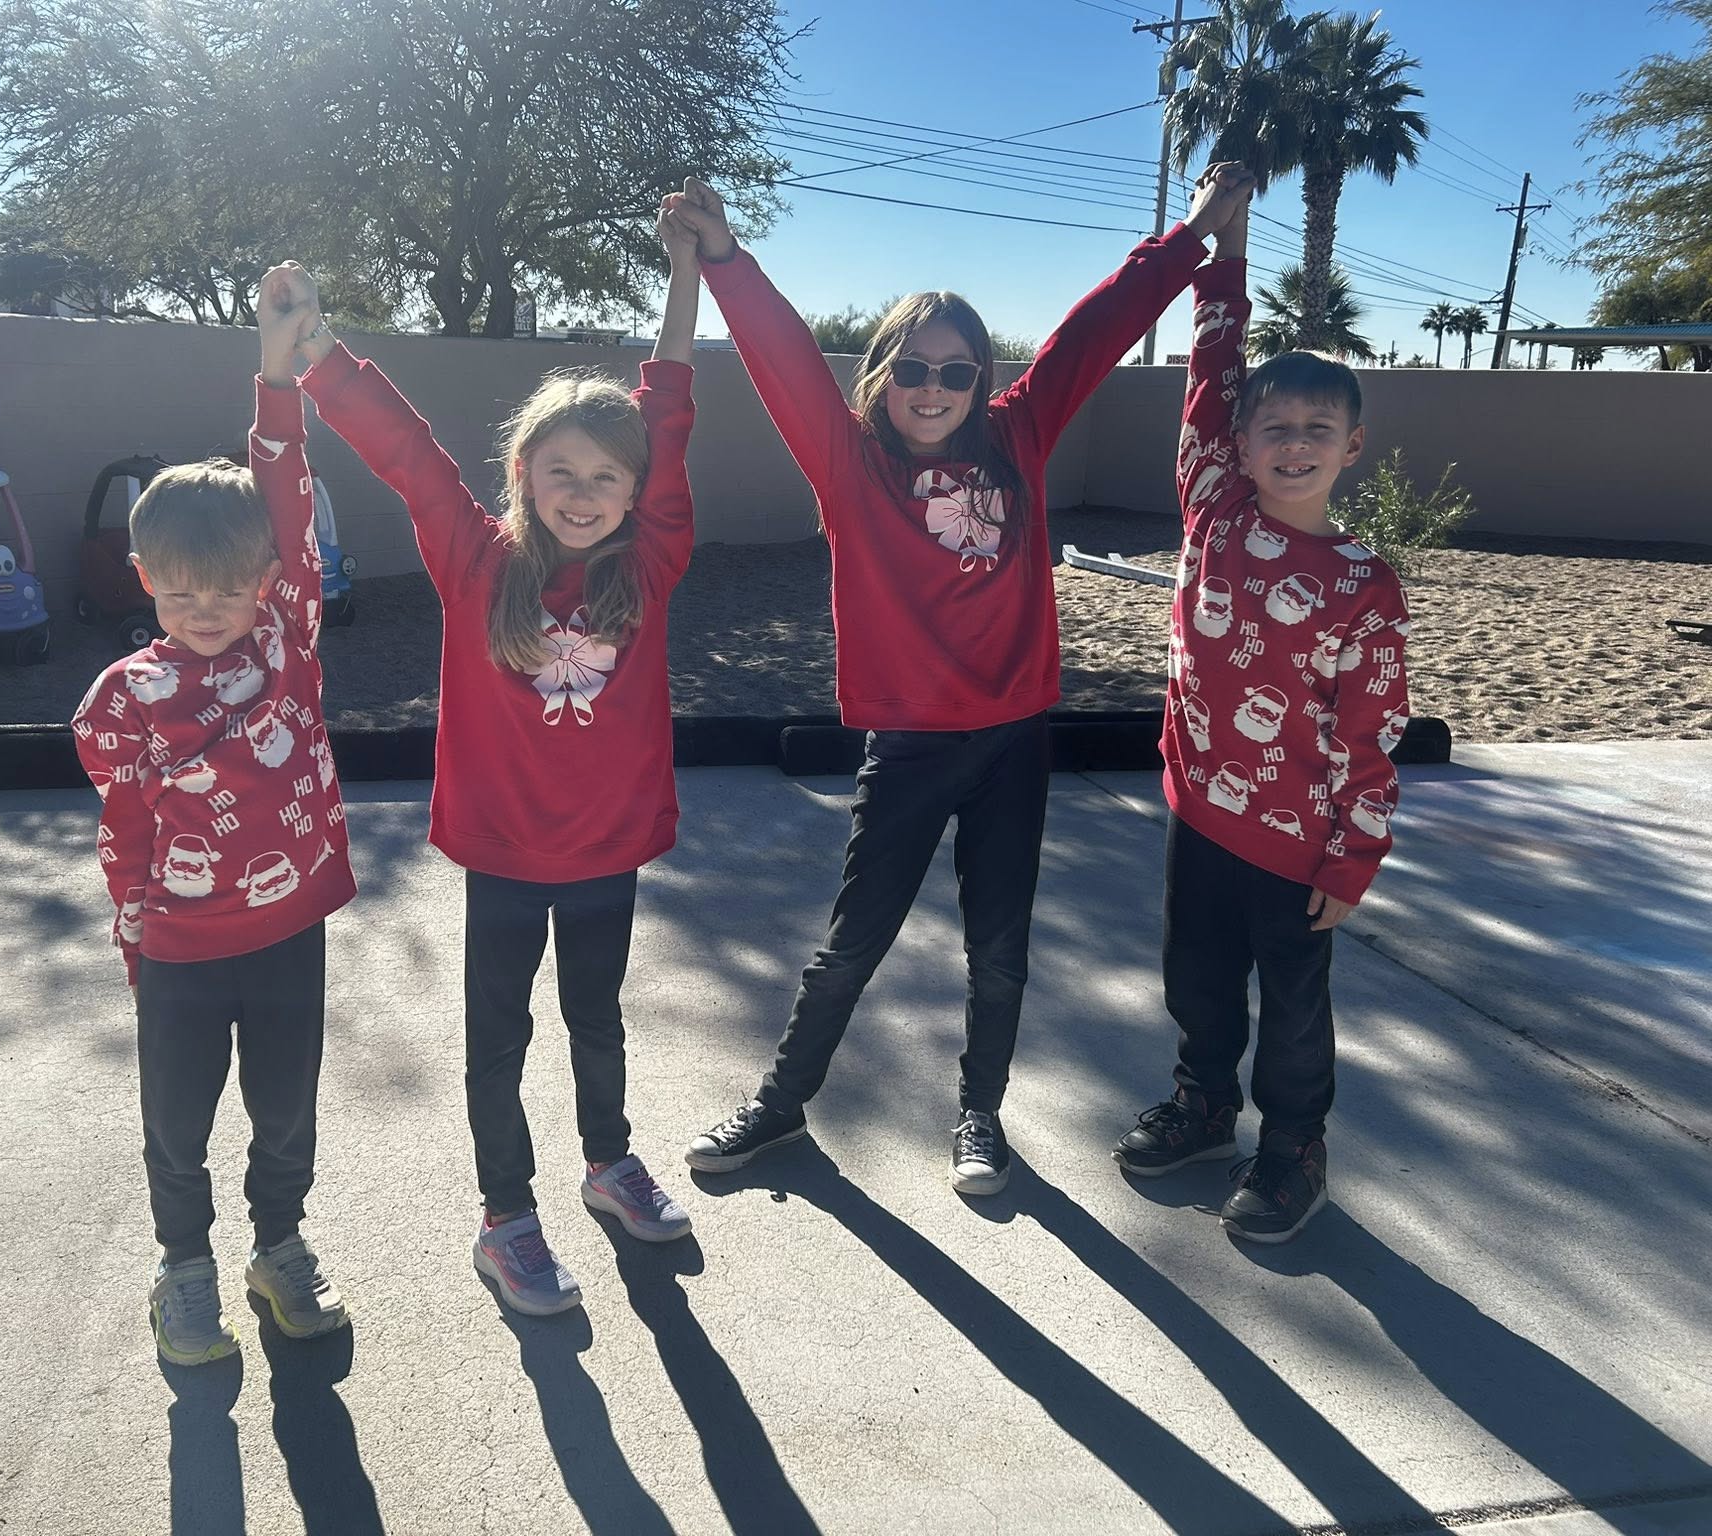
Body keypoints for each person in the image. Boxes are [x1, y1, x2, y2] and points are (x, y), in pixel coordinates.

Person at [669, 171, 1253, 1194]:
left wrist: (1192, 236)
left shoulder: (1018, 438)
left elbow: (1092, 334)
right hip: (908, 750)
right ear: (882, 375)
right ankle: (780, 1105)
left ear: (981, 381)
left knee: (1000, 950)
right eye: (911, 368)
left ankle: (979, 1117)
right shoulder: (851, 465)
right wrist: (724, 259)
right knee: (852, 946)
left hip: (1013, 744)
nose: (931, 387)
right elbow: (784, 358)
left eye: (954, 370)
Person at [283, 201, 701, 1316]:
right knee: (498, 1044)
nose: (584, 493)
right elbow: (409, 456)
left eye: (607, 476)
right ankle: (504, 1217)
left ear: (636, 491)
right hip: (506, 858)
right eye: (562, 471)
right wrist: (318, 354)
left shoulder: (649, 566)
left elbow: (669, 408)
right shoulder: (474, 560)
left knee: (598, 1023)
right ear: (524, 473)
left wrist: (685, 273)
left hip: (606, 853)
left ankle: (607, 1162)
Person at [1110, 172, 1411, 1245]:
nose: (1292, 442)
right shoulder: (1215, 506)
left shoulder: (1362, 584)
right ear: (1237, 446)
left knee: (1290, 1006)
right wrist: (1226, 248)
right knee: (1194, 980)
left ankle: (1291, 1147)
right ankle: (1202, 1106)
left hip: (1298, 840)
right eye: (1273, 425)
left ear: (1350, 447)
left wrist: (1353, 856)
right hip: (1199, 811)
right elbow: (1211, 369)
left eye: (1316, 428)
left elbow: (1372, 732)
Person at [72, 265, 358, 1364]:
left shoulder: (286, 643)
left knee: (285, 1115)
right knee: (178, 1127)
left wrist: (276, 375)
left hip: (286, 933)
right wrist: (135, 932)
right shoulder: (127, 696)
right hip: (183, 946)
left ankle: (278, 1246)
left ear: (270, 579)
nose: (206, 610)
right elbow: (126, 829)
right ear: (143, 576)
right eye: (179, 589)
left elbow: (285, 493)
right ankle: (183, 1268)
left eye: (229, 588)